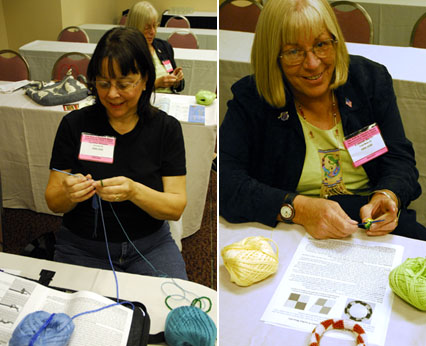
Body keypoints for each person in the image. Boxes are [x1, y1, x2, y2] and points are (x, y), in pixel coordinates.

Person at [219, 0, 426, 241]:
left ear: (336, 41)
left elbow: (399, 159)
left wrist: (387, 194)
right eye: (294, 51)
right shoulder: (252, 98)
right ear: (272, 55)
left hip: (373, 227)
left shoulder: (369, 80)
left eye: (321, 44)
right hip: (292, 230)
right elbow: (226, 182)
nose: (313, 63)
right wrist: (299, 209)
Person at [45, 26, 188, 279]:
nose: (112, 94)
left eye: (124, 84)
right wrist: (69, 194)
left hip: (151, 247)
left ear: (145, 80)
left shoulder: (166, 129)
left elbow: (175, 206)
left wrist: (134, 191)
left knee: (170, 312)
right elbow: (54, 202)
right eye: (103, 83)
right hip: (82, 247)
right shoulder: (74, 125)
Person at [126, 1, 185, 93]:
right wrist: (156, 84)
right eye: (147, 27)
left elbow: (179, 87)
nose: (153, 31)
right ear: (135, 27)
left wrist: (176, 81)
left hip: (169, 100)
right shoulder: (126, 52)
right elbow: (127, 90)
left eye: (155, 26)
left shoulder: (164, 46)